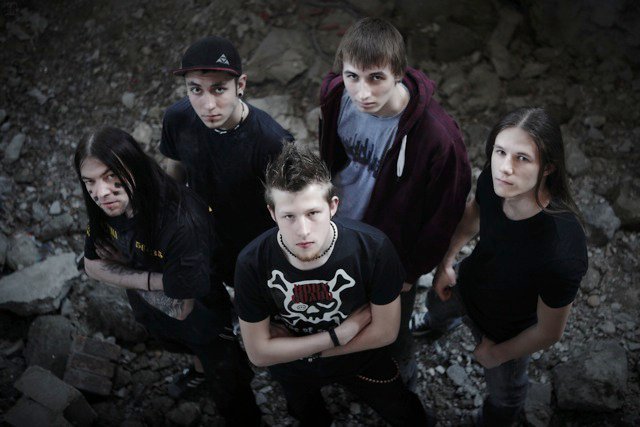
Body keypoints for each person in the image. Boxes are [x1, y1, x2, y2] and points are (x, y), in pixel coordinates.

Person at [234, 143, 434, 427]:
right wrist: (340, 334)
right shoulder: (252, 263)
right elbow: (258, 353)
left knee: (405, 412)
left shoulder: (373, 249)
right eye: (289, 216)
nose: (303, 231)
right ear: (272, 213)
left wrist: (305, 351)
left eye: (312, 213)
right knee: (308, 415)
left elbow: (386, 332)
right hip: (296, 368)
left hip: (358, 359)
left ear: (333, 206)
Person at [319, 17, 472, 388]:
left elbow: (444, 216)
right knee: (344, 305)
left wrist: (409, 273)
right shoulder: (337, 95)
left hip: (391, 253)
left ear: (399, 73)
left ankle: (401, 381)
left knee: (394, 331)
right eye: (353, 76)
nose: (362, 92)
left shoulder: (437, 138)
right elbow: (331, 154)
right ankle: (351, 369)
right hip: (338, 231)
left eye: (376, 78)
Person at [74, 127, 262, 426]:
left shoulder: (181, 221)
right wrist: (154, 280)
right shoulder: (107, 207)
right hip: (155, 311)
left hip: (205, 317)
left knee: (229, 385)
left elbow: (182, 306)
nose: (101, 192)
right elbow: (91, 266)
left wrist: (122, 270)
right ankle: (200, 371)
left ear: (134, 167)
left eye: (110, 176)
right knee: (183, 346)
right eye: (90, 182)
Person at [415, 107, 588, 426]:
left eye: (522, 158)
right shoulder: (495, 183)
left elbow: (549, 331)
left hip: (506, 331)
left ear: (548, 167)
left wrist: (497, 354)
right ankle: (432, 325)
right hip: (465, 286)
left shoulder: (562, 250)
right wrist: (446, 261)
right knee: (435, 308)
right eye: (500, 152)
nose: (505, 168)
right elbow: (474, 214)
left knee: (506, 398)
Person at [159, 35, 293, 392]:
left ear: (241, 84)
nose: (207, 104)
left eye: (219, 89)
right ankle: (216, 368)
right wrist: (170, 218)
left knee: (271, 318)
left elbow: (289, 211)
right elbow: (175, 167)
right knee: (207, 314)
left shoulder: (270, 141)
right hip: (202, 239)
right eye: (196, 89)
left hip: (255, 249)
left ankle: (290, 377)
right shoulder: (178, 118)